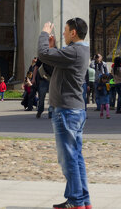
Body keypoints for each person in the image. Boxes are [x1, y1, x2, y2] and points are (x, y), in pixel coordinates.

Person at [38, 18, 91, 209]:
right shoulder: (79, 51)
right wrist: (54, 49)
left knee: (68, 159)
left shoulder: (75, 51)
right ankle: (82, 200)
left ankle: (76, 202)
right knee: (75, 158)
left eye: (65, 30)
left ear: (73, 33)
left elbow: (42, 53)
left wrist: (44, 33)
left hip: (67, 111)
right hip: (74, 110)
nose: (63, 33)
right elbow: (52, 69)